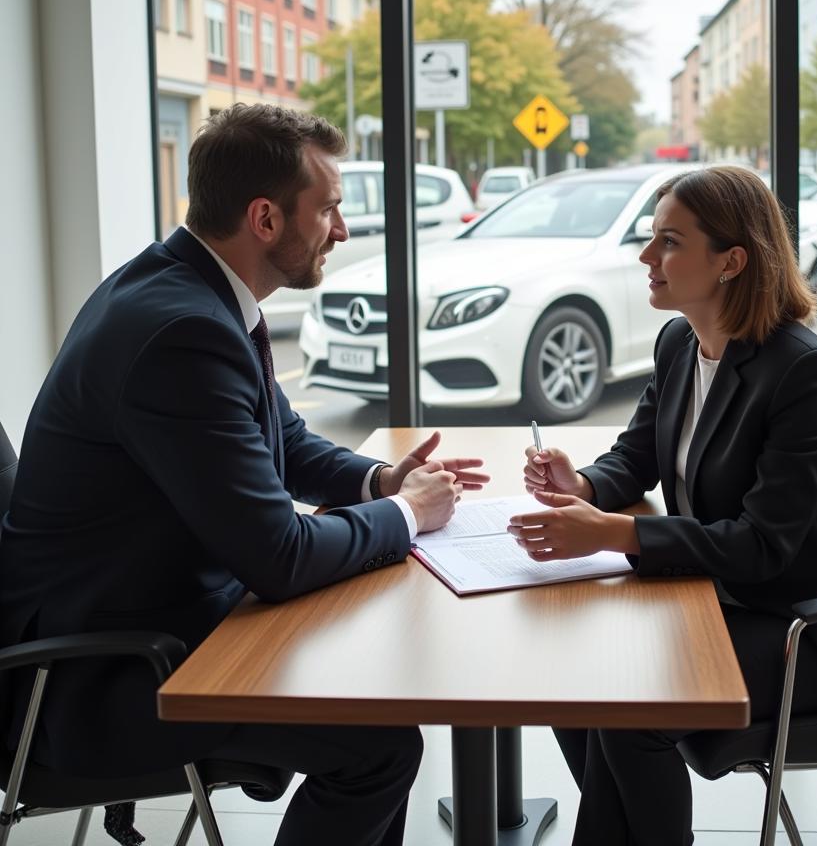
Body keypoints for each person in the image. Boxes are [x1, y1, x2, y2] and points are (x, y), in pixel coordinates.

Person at [0, 103, 489, 846]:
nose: (344, 230)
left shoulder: (188, 289)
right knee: (379, 746)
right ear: (265, 219)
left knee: (375, 687)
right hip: (103, 678)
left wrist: (383, 483)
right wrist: (410, 517)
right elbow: (280, 556)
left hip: (159, 616)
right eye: (327, 209)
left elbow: (282, 441)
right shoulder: (182, 333)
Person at [508, 165, 817, 846]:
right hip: (720, 597)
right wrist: (584, 485)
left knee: (630, 711)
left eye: (668, 241)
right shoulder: (679, 342)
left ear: (731, 261)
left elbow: (762, 545)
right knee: (574, 685)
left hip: (806, 626)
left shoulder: (802, 371)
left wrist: (612, 533)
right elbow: (634, 456)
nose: (645, 257)